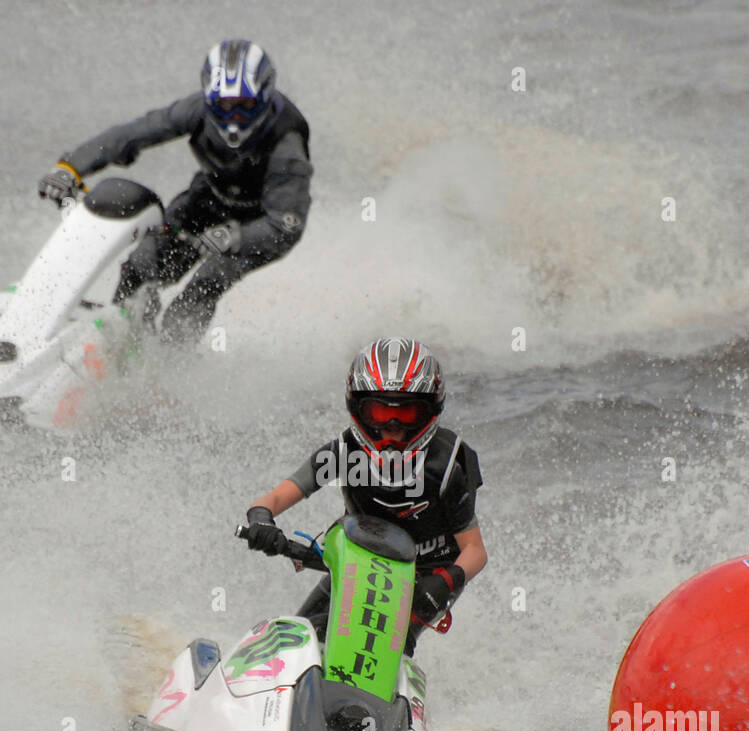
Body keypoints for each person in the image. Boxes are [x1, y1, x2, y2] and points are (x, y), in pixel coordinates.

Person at [37, 39, 312, 340]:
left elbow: (287, 226)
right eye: (224, 105)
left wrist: (234, 236)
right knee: (142, 265)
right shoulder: (196, 110)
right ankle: (120, 342)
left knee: (202, 287)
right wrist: (70, 167)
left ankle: (171, 372)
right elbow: (133, 134)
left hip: (258, 225)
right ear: (209, 98)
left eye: (244, 106)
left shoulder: (287, 148)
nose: (233, 118)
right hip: (211, 199)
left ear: (265, 95)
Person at [243, 338, 487, 656]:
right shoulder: (343, 452)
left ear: (430, 411)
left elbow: (474, 551)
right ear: (358, 409)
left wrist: (445, 582)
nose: (392, 429)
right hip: (360, 564)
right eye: (379, 413)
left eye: (407, 414)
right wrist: (262, 521)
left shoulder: (446, 467)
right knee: (304, 638)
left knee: (382, 651)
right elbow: (272, 499)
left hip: (428, 579)